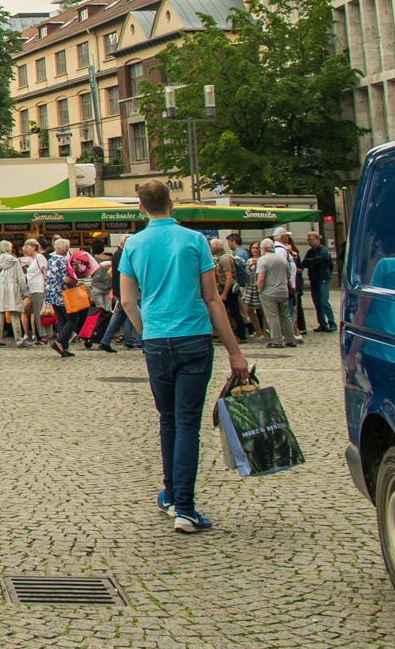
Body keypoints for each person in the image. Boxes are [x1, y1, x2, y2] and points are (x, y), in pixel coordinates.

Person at [117, 179, 251, 534]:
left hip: (158, 339)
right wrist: (235, 352)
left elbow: (128, 301)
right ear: (171, 204)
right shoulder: (194, 241)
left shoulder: (134, 244)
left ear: (141, 207)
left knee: (168, 419)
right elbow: (212, 299)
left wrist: (148, 333)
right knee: (188, 422)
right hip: (193, 336)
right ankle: (186, 508)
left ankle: (172, 495)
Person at [257, 237, 298, 348]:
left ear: (264, 249)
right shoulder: (282, 259)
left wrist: (259, 290)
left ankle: (277, 341)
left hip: (269, 292)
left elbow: (261, 278)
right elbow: (288, 275)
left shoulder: (263, 260)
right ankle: (290, 339)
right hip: (283, 291)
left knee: (273, 317)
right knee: (286, 316)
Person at [0, 240, 26, 347]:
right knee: (14, 314)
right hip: (13, 287)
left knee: (0, 314)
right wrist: (24, 291)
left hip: (0, 287)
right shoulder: (14, 261)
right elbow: (21, 278)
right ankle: (19, 340)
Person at [303, 232, 337, 331]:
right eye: (308, 240)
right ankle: (322, 324)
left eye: (311, 239)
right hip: (314, 279)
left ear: (317, 240)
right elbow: (304, 263)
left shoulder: (323, 250)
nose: (309, 242)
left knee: (324, 301)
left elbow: (321, 260)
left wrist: (312, 262)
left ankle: (332, 323)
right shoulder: (310, 251)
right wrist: (312, 262)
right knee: (317, 302)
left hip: (323, 278)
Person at [21, 239, 47, 345]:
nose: (26, 249)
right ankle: (41, 336)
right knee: (36, 313)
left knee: (39, 313)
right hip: (33, 288)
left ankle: (44, 337)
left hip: (39, 288)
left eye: (28, 247)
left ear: (34, 248)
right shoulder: (33, 259)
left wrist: (45, 285)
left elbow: (45, 271)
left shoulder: (40, 257)